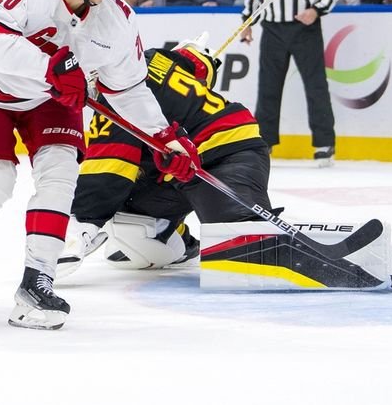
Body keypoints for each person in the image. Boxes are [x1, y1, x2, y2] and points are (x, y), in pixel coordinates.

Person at [0, 0, 201, 330]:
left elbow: (129, 88)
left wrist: (164, 138)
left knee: (60, 175)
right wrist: (49, 67)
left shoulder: (118, 19)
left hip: (53, 100)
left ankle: (37, 282)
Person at [57, 39, 273, 275]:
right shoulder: (155, 56)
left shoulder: (116, 97)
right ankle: (177, 240)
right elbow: (199, 65)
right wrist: (198, 54)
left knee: (245, 252)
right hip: (180, 167)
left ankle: (258, 233)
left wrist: (80, 223)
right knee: (134, 230)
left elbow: (108, 171)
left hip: (226, 151)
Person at [240, 0, 339, 166]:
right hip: (272, 28)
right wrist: (248, 23)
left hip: (304, 29)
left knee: (316, 85)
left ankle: (324, 144)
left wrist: (316, 10)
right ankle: (265, 143)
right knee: (268, 88)